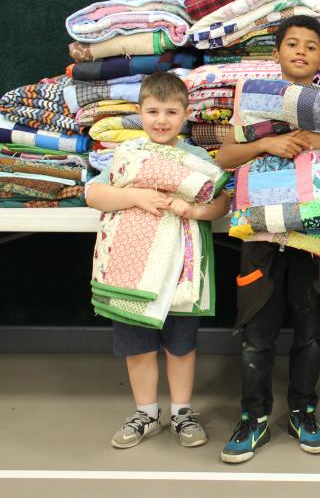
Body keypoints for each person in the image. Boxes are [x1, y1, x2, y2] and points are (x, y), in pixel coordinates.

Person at [215, 15, 320, 463]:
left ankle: (303, 410)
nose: (300, 51)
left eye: (310, 46)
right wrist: (267, 146)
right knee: (257, 331)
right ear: (277, 53)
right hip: (261, 230)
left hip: (313, 231)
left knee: (309, 330)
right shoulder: (254, 102)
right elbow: (226, 155)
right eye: (291, 44)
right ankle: (254, 417)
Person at [86, 72, 231, 449]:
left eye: (171, 111)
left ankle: (182, 412)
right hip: (132, 272)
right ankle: (146, 413)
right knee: (138, 345)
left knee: (181, 345)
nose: (161, 120)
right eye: (152, 111)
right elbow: (95, 195)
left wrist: (191, 209)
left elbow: (221, 202)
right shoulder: (128, 155)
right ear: (139, 113)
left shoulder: (196, 158)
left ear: (186, 114)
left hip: (180, 270)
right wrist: (136, 197)